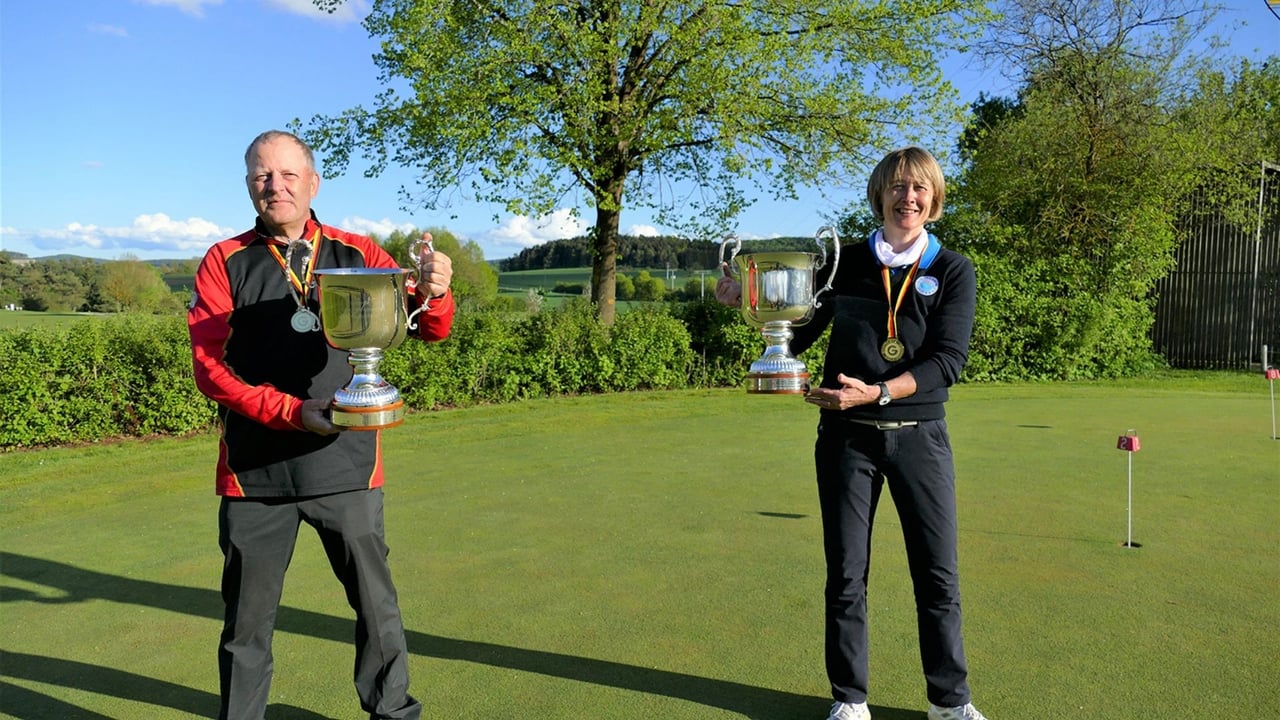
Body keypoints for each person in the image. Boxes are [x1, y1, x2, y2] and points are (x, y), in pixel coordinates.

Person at [188, 129, 455, 720]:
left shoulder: (360, 253)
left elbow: (423, 326)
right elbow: (210, 369)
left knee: (376, 611)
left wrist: (436, 292)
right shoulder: (223, 260)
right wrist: (291, 412)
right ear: (248, 185)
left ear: (312, 182)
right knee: (246, 626)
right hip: (254, 475)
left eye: (287, 175)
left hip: (348, 465)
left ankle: (392, 714)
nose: (273, 186)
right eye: (261, 175)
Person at [716, 147, 988, 720]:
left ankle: (950, 702)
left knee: (938, 575)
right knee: (845, 574)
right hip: (846, 438)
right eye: (895, 187)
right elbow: (799, 327)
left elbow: (948, 362)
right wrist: (747, 298)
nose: (906, 197)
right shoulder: (844, 264)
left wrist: (882, 391)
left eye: (918, 188)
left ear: (933, 199)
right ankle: (850, 700)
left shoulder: (952, 268)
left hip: (920, 436)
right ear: (879, 195)